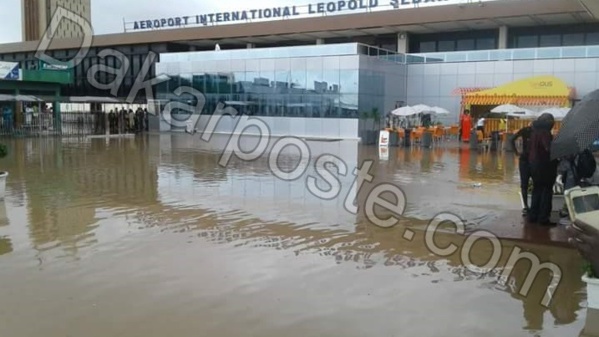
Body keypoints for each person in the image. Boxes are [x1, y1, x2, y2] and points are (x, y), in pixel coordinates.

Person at [527, 113, 558, 226]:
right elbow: (548, 148)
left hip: (534, 164)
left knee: (537, 190)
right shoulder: (545, 133)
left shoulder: (534, 132)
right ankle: (543, 217)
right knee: (546, 191)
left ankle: (533, 215)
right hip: (545, 166)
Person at [511, 122, 533, 215]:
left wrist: (517, 152)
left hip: (524, 159)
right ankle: (532, 207)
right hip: (535, 160)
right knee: (537, 183)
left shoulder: (525, 130)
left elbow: (512, 139)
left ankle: (525, 207)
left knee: (524, 184)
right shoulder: (539, 132)